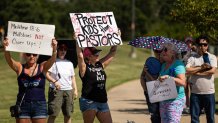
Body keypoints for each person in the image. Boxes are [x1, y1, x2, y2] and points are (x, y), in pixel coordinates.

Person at [3, 37, 57, 123]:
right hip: (23, 104)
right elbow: (9, 60)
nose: (31, 56)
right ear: (25, 55)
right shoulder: (20, 67)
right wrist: (6, 49)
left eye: (34, 54)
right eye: (28, 54)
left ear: (37, 55)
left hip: (39, 105)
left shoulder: (42, 67)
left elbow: (52, 61)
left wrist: (54, 50)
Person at [75, 38, 117, 123]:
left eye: (97, 52)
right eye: (95, 53)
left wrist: (116, 38)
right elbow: (80, 56)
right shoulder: (84, 68)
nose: (98, 54)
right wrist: (77, 40)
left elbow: (112, 52)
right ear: (89, 56)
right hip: (89, 101)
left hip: (102, 101)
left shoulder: (100, 65)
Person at [186, 35, 217, 123]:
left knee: (210, 118)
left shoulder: (212, 57)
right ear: (197, 45)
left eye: (205, 44)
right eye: (200, 44)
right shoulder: (192, 58)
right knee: (194, 119)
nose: (202, 46)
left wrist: (195, 72)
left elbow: (212, 71)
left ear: (207, 45)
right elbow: (187, 70)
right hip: (195, 94)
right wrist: (201, 67)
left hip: (209, 93)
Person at [46, 43, 78, 123]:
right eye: (61, 49)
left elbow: (72, 77)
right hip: (56, 91)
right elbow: (46, 74)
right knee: (53, 114)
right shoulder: (52, 62)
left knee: (68, 114)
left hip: (68, 91)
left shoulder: (70, 63)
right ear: (57, 50)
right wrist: (54, 82)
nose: (63, 51)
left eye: (65, 50)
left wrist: (75, 90)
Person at [158, 42, 186, 123]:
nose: (163, 52)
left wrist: (169, 78)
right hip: (164, 100)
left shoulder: (178, 64)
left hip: (175, 100)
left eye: (165, 50)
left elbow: (183, 82)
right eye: (162, 50)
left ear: (173, 52)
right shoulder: (163, 65)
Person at [140, 50, 162, 123]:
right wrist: (145, 91)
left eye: (160, 51)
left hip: (162, 92)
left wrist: (147, 73)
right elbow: (142, 77)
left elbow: (157, 83)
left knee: (161, 115)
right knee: (154, 116)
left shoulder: (165, 64)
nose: (158, 52)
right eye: (156, 50)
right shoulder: (150, 62)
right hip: (150, 92)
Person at [182, 37, 197, 114]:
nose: (189, 44)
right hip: (184, 72)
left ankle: (193, 105)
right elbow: (181, 60)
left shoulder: (195, 51)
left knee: (192, 89)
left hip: (191, 72)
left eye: (190, 42)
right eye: (187, 42)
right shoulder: (182, 51)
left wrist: (195, 50)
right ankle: (187, 105)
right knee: (185, 89)